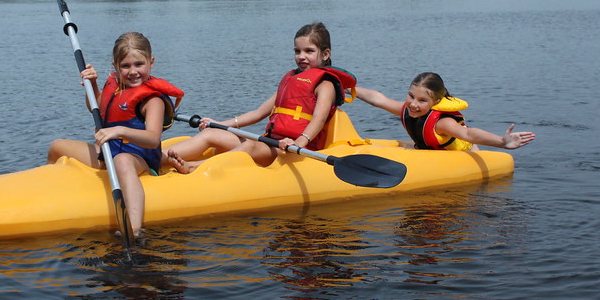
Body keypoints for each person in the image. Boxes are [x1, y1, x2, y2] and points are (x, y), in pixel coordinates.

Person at [165, 22, 356, 173]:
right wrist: (219, 123)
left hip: (298, 150)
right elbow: (258, 113)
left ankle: (194, 167)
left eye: (309, 51)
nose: (301, 56)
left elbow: (318, 119)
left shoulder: (325, 84)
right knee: (210, 134)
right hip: (272, 142)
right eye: (297, 51)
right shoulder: (292, 80)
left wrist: (298, 143)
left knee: (250, 147)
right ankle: (157, 159)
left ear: (325, 53)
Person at [47, 32, 183, 237]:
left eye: (139, 64)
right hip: (108, 154)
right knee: (57, 146)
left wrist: (119, 131)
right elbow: (100, 108)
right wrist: (92, 86)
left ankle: (135, 229)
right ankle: (52, 194)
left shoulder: (152, 101)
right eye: (125, 66)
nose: (133, 71)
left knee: (122, 161)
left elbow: (153, 138)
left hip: (138, 159)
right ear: (115, 66)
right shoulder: (116, 85)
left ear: (151, 62)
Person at [356, 72, 535, 151]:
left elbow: (468, 133)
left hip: (464, 154)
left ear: (436, 102)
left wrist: (502, 142)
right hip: (429, 151)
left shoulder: (441, 123)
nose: (413, 104)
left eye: (422, 100)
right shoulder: (407, 110)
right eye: (411, 96)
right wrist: (350, 89)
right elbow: (378, 99)